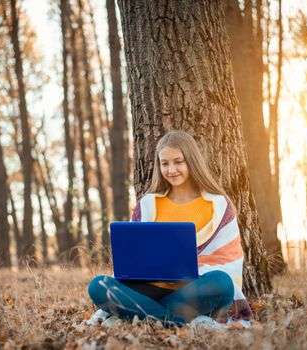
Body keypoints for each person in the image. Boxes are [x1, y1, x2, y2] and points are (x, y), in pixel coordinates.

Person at [87, 130, 253, 328]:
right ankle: (184, 323)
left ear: (191, 161)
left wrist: (191, 272)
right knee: (98, 286)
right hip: (148, 289)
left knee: (222, 283)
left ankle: (142, 315)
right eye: (165, 163)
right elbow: (133, 260)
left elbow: (228, 260)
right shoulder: (148, 205)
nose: (171, 169)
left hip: (193, 290)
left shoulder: (218, 205)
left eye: (178, 161)